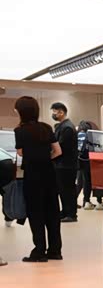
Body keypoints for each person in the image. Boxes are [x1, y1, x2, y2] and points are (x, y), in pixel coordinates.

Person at [14, 96, 63, 262]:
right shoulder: (46, 127)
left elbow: (20, 152)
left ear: (22, 112)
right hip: (49, 174)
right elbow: (58, 151)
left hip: (32, 175)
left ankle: (39, 251)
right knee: (52, 211)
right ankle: (55, 250)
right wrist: (45, 158)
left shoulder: (20, 130)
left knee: (36, 213)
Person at [51, 102, 78, 222]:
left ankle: (71, 214)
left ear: (61, 112)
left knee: (68, 190)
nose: (53, 114)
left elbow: (61, 147)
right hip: (62, 164)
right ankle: (66, 211)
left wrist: (51, 155)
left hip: (66, 165)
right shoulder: (62, 126)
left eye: (54, 111)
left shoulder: (67, 128)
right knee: (63, 190)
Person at [76, 121, 103, 210]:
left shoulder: (77, 135)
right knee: (97, 181)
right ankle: (99, 202)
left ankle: (86, 201)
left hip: (80, 161)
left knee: (84, 181)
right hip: (91, 160)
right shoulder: (92, 136)